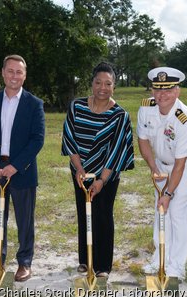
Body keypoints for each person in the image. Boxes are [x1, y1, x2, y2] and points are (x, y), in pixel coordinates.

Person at [0, 54, 45, 282]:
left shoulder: (34, 104)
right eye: (10, 71)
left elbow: (37, 139)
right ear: (3, 73)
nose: (14, 76)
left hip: (21, 171)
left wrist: (15, 166)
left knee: (25, 220)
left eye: (19, 72)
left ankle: (24, 262)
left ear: (24, 76)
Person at [61, 62, 134, 278]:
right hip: (80, 172)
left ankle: (103, 265)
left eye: (108, 83)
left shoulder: (120, 115)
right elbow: (70, 138)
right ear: (91, 83)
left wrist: (101, 180)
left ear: (114, 86)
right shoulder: (76, 106)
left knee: (102, 215)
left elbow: (117, 149)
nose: (102, 87)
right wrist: (79, 169)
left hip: (106, 175)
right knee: (84, 213)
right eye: (98, 82)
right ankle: (85, 259)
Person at [136, 67, 187, 281]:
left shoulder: (185, 119)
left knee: (176, 213)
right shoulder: (146, 108)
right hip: (161, 164)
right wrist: (153, 168)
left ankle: (176, 266)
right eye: (157, 89)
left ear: (177, 91)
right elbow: (143, 140)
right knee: (160, 211)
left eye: (168, 90)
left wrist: (168, 193)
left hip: (185, 165)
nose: (162, 95)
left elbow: (180, 165)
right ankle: (159, 258)